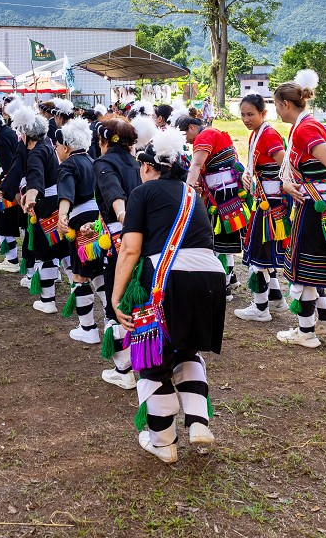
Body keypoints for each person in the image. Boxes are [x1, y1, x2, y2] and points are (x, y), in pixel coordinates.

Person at [112, 127, 225, 463]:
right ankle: (198, 420)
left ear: (148, 167)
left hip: (165, 281)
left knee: (152, 359)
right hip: (210, 278)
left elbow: (130, 250)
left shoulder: (141, 194)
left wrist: (116, 298)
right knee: (186, 347)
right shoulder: (193, 194)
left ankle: (164, 443)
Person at [273, 71, 326, 348]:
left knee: (303, 269)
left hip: (316, 208)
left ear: (285, 104)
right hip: (317, 204)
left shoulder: (306, 129)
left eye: (275, 105)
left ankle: (306, 332)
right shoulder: (306, 125)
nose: (276, 111)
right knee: (311, 266)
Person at [94, 116, 143, 389]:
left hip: (120, 238)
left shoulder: (104, 163)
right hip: (142, 235)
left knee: (115, 298)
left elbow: (113, 193)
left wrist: (123, 215)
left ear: (103, 140)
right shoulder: (137, 164)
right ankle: (143, 358)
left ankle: (123, 369)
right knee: (136, 295)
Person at [178, 116, 247, 298]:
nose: (186, 140)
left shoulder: (204, 136)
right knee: (224, 242)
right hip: (226, 192)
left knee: (220, 242)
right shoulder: (213, 134)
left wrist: (188, 191)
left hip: (223, 195)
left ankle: (223, 287)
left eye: (184, 134)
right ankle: (227, 282)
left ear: (192, 127)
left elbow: (197, 165)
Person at [235, 94, 290, 322]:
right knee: (263, 254)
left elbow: (285, 164)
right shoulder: (257, 135)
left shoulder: (268, 136)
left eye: (251, 114)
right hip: (266, 200)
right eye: (243, 115)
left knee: (258, 257)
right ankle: (276, 300)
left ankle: (260, 308)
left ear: (263, 113)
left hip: (272, 205)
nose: (246, 119)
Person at [55, 118, 106, 344]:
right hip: (97, 220)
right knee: (96, 269)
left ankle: (88, 328)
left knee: (79, 274)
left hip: (79, 222)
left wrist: (62, 216)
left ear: (66, 146)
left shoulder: (67, 165)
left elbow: (66, 194)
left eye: (57, 146)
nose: (56, 150)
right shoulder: (93, 161)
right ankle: (110, 315)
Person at [11, 104, 66, 313]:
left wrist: (31, 195)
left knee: (46, 253)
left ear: (27, 135)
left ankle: (48, 300)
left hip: (46, 205)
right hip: (58, 202)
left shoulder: (36, 152)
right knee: (62, 251)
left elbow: (35, 177)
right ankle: (76, 289)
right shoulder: (47, 145)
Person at [0, 110, 23, 272]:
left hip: (10, 183)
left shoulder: (0, 139)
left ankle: (12, 259)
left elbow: (8, 165)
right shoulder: (10, 133)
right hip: (19, 180)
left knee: (6, 221)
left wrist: (7, 187)